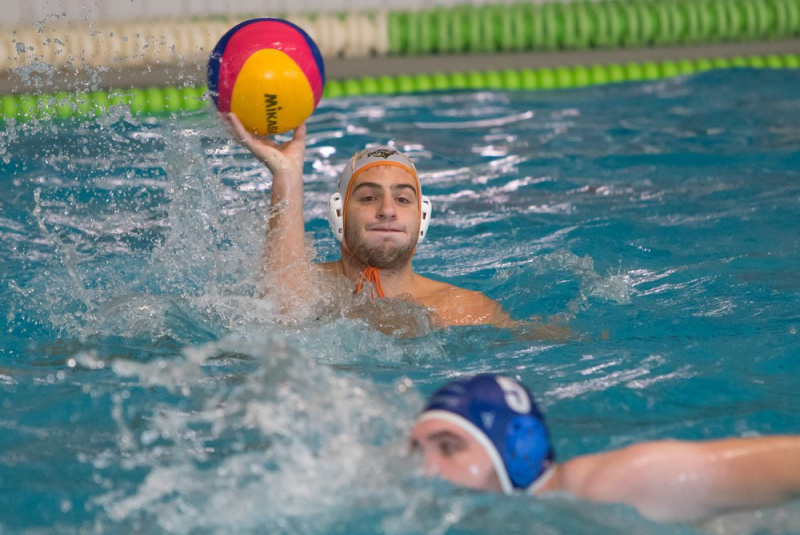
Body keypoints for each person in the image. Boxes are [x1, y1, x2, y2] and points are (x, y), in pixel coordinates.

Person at [221, 114, 524, 330]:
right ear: (339, 213)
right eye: (368, 198)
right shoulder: (307, 288)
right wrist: (286, 175)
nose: (388, 210)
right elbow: (279, 315)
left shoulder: (466, 308)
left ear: (422, 218)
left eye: (403, 199)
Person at [410, 374, 800, 523]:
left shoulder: (626, 482)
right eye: (417, 450)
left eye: (449, 448)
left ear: (518, 452)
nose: (426, 469)